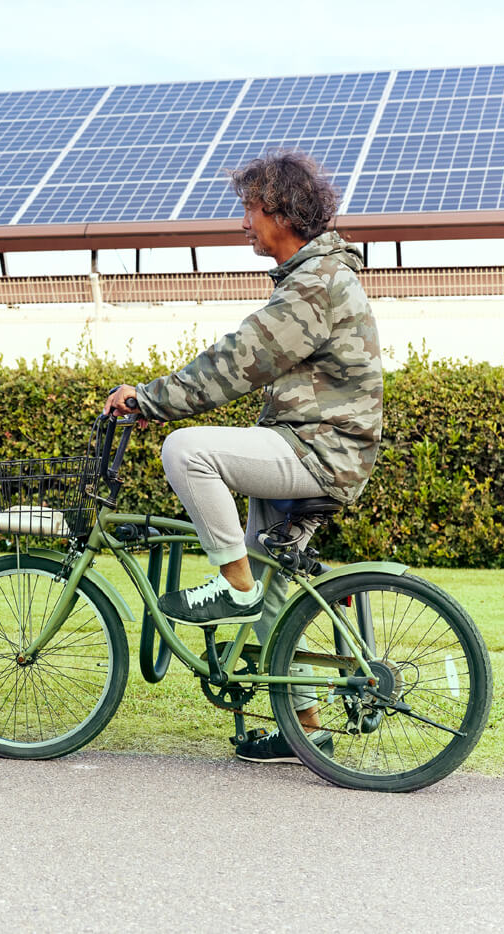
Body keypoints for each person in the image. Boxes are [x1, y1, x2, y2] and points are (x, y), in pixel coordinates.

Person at [105, 150, 383, 764]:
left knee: (187, 449)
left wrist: (147, 401)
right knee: (274, 597)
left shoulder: (315, 286)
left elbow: (235, 361)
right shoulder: (315, 278)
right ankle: (304, 730)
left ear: (282, 211)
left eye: (250, 209)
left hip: (320, 451)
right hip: (317, 447)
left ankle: (234, 585)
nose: (243, 223)